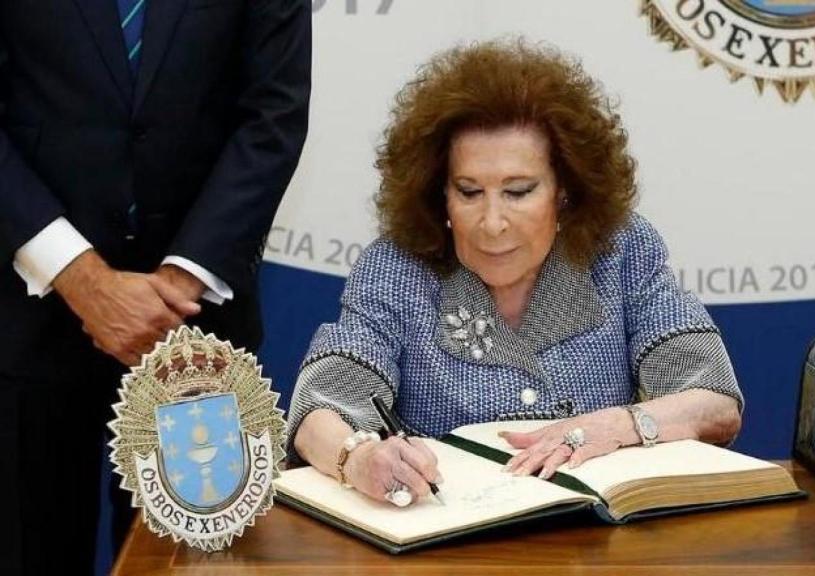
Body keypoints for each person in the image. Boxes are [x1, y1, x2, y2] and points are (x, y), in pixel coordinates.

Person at [287, 39, 741, 506]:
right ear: (439, 195)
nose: (492, 222)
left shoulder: (620, 251)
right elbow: (320, 406)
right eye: (469, 192)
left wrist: (612, 426)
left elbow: (714, 401)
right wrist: (358, 458)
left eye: (519, 191)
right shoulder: (397, 268)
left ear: (563, 191)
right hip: (452, 543)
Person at [0, 0, 311, 572]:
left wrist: (179, 281)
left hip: (196, 330)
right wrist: (79, 275)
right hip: (28, 320)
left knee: (185, 562)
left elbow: (274, 115)